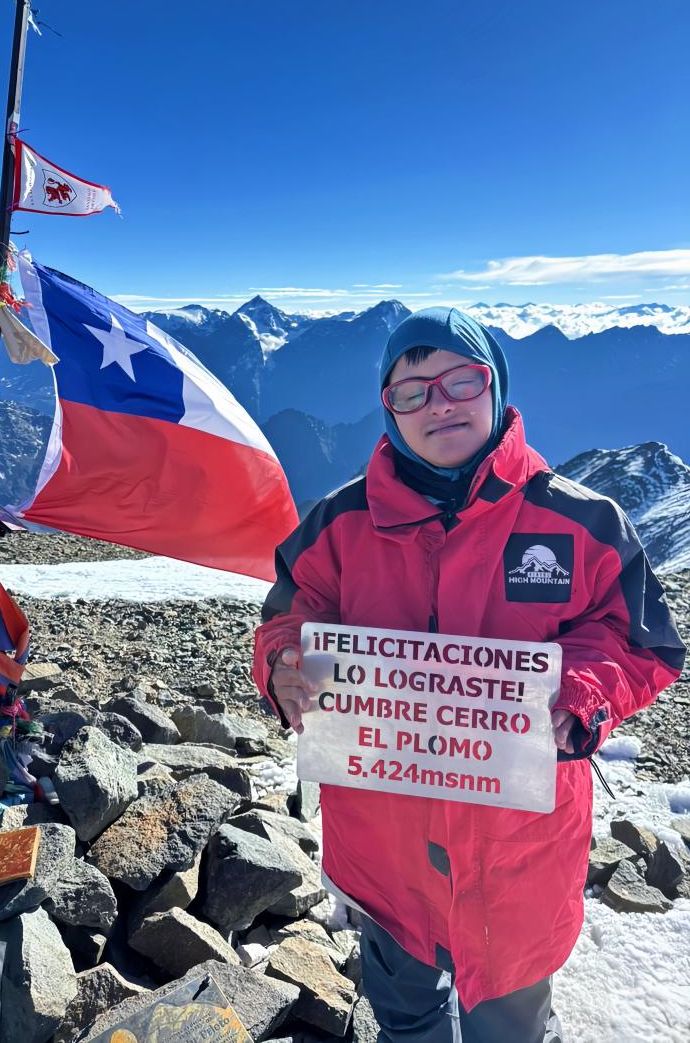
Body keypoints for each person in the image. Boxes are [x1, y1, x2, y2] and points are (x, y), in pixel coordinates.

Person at [252, 307, 686, 1042]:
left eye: (461, 379)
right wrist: (284, 665)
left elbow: (637, 640)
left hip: (517, 848)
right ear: (387, 408)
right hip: (383, 843)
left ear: (496, 386)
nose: (440, 403)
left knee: (510, 1023)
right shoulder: (338, 523)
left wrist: (580, 693)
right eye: (411, 391)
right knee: (404, 1011)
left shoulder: (581, 522)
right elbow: (288, 616)